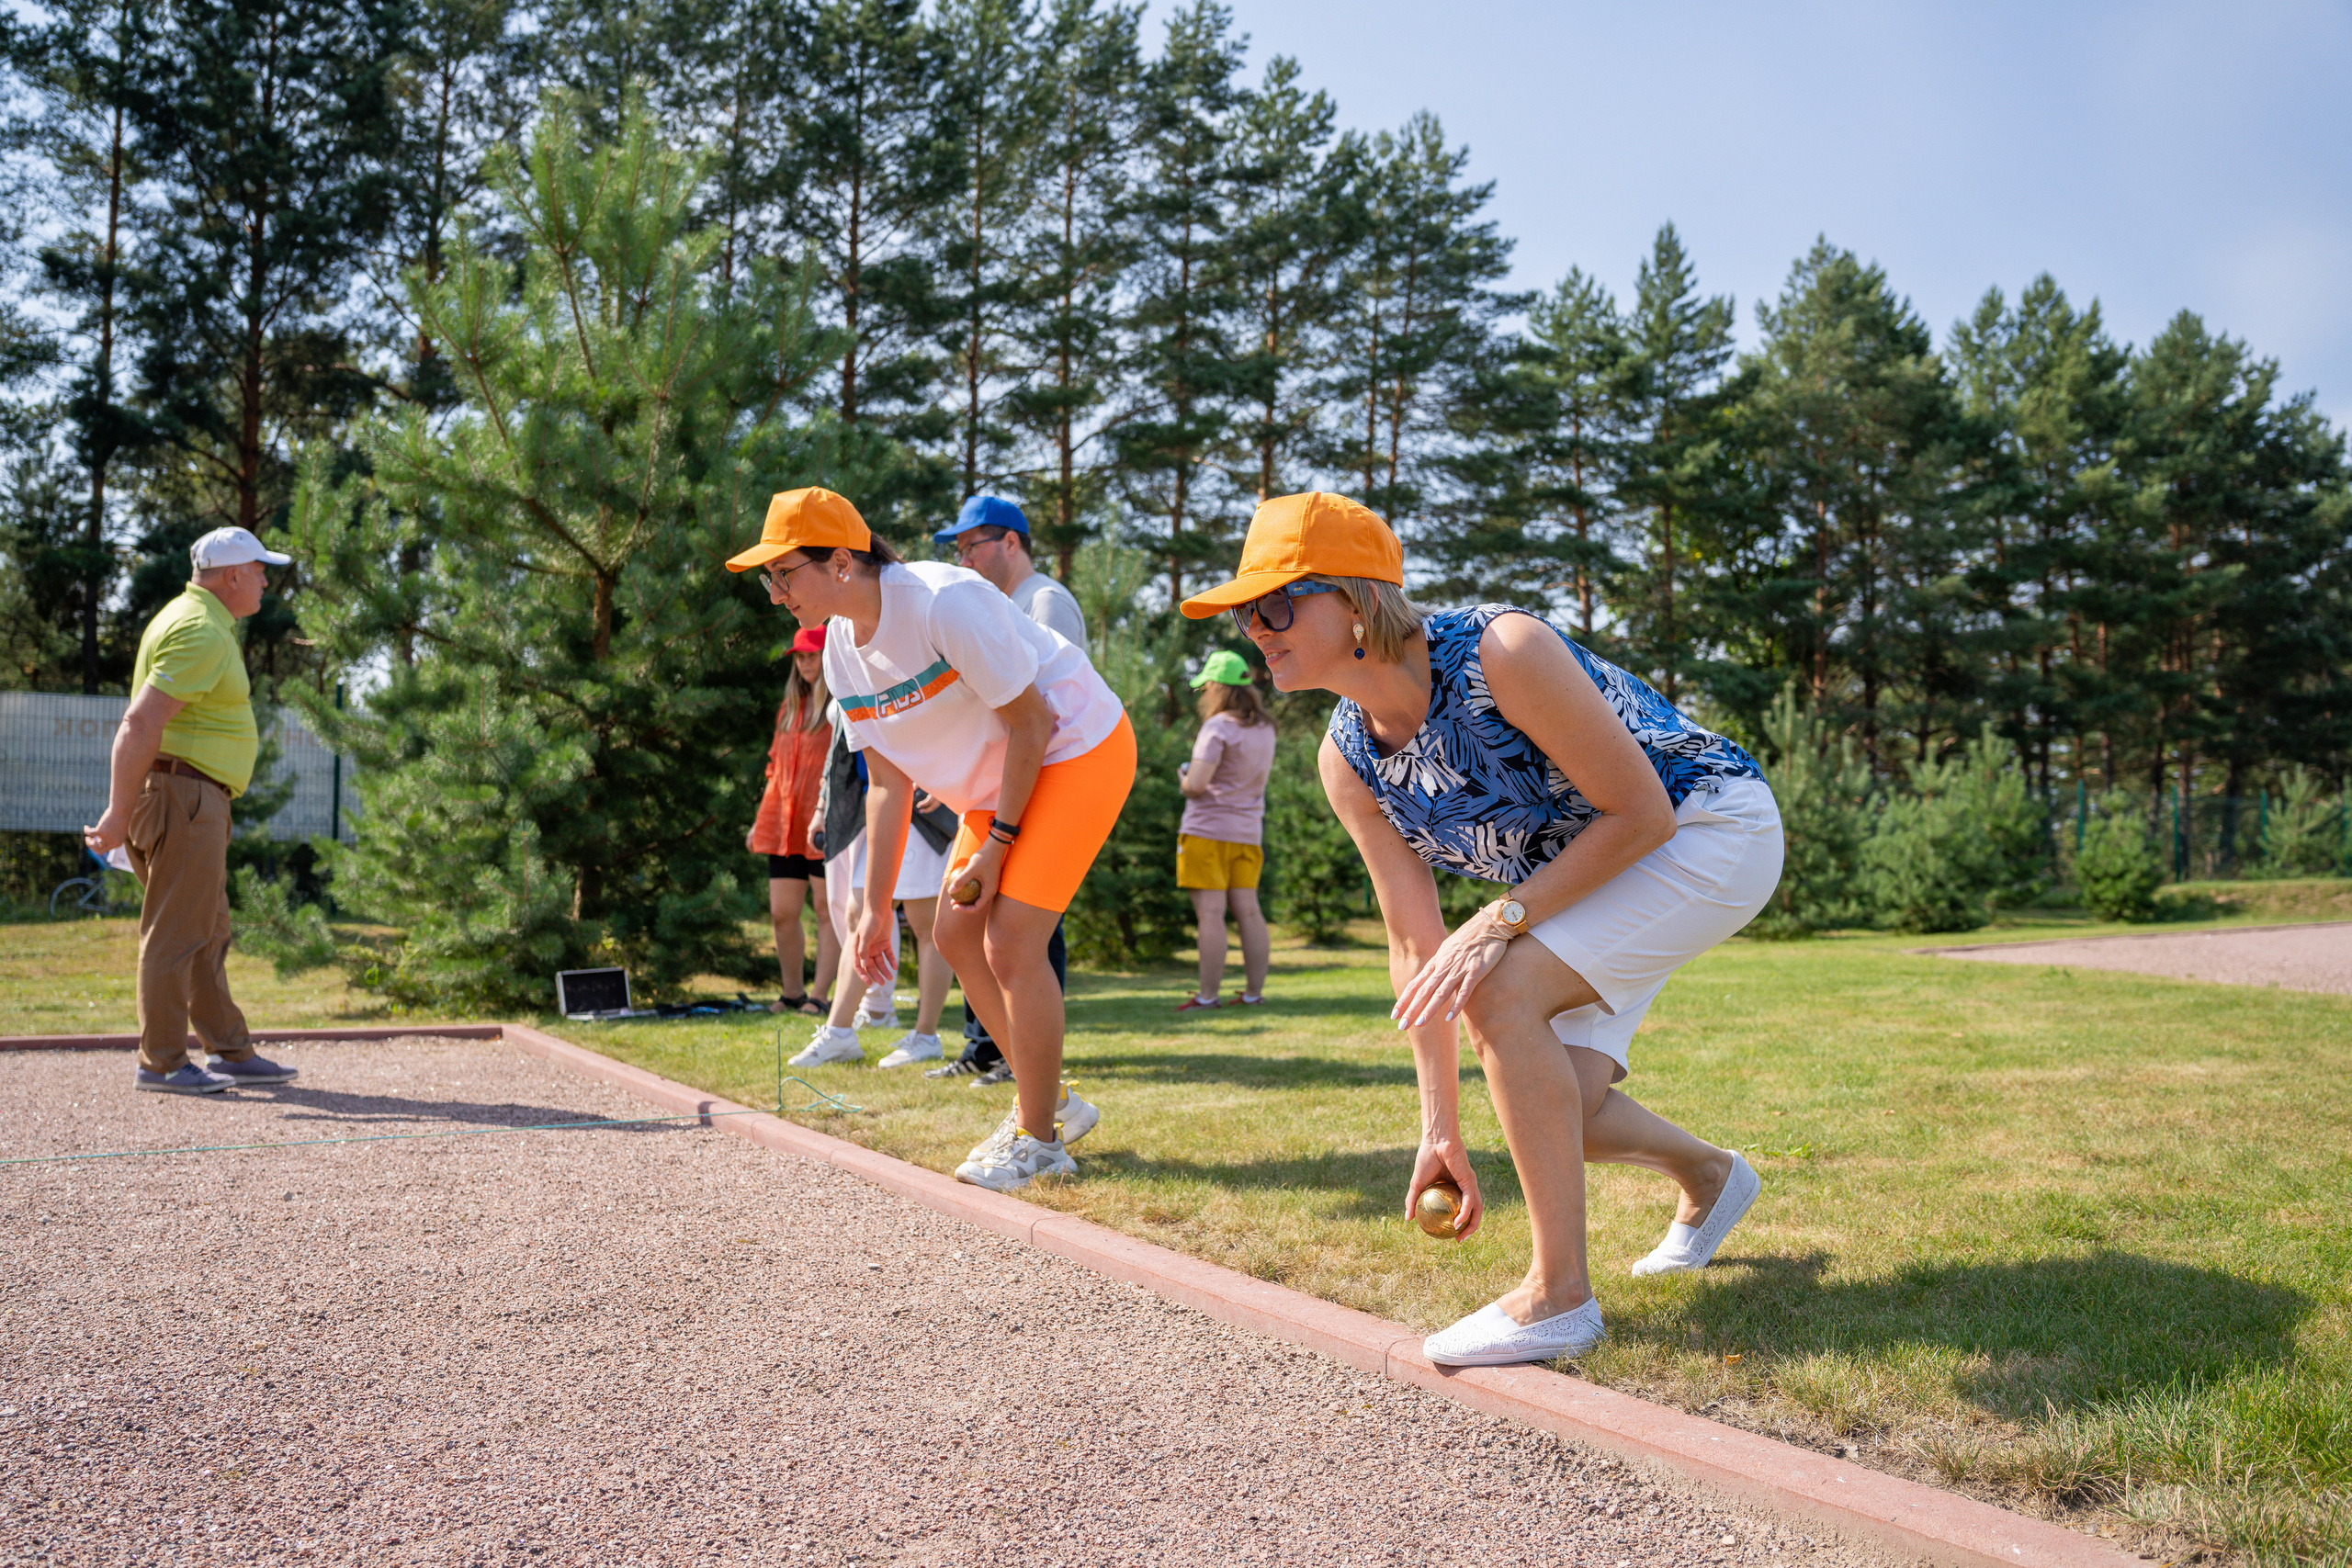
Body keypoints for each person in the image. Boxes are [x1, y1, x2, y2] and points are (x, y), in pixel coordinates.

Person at [1180, 491, 1783, 1367]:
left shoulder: (1503, 651)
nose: (1256, 629)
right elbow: (1419, 953)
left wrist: (1499, 920)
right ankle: (1710, 1176)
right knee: (1553, 1106)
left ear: (1355, 602)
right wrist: (1438, 1129)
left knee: (1501, 991)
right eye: (1246, 613)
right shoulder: (1346, 759)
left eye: (1274, 604)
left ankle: (1557, 1297)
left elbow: (1643, 812)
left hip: (1708, 828)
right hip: (1592, 874)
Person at [728, 487, 1133, 1191]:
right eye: (771, 579)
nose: (775, 594)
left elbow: (1034, 723)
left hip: (1078, 745)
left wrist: (998, 846)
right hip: (1002, 776)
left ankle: (1039, 1140)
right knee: (953, 932)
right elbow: (886, 784)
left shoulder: (943, 601)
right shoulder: (842, 656)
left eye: (785, 574)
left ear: (843, 561)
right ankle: (1056, 1103)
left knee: (1009, 939)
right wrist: (875, 908)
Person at [81, 526, 303, 1095]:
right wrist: (116, 811)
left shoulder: (194, 619)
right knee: (176, 935)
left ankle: (229, 1049)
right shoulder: (200, 630)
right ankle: (161, 1064)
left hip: (191, 797)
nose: (264, 579)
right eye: (258, 569)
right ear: (231, 575)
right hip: (185, 798)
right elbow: (140, 722)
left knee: (207, 930)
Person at [925, 495, 1082, 1085]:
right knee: (974, 914)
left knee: (1028, 929)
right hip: (999, 784)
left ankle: (1026, 1059)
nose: (963, 559)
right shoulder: (997, 603)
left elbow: (1053, 704)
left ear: (1011, 543)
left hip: (1046, 782)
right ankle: (986, 1046)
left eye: (972, 545)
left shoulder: (1045, 602)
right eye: (958, 549)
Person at [794, 704, 958, 1068]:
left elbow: (950, 722)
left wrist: (947, 779)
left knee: (926, 923)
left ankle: (926, 1036)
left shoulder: (908, 655)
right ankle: (839, 1033)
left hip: (921, 808)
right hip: (875, 806)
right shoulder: (844, 664)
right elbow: (840, 747)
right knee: (859, 916)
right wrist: (823, 806)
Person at [1174, 649, 1277, 1012]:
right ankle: (1253, 993)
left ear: (1218, 687)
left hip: (1206, 832)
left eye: (1206, 687)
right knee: (1249, 912)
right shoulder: (1266, 729)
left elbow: (1197, 785)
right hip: (1248, 834)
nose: (1204, 694)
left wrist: (1184, 777)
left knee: (1211, 915)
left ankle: (1207, 996)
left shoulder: (1217, 727)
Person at [747, 626, 837, 1014]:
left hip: (822, 823)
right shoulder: (788, 709)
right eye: (800, 657)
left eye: (812, 655)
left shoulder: (839, 706)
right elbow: (774, 768)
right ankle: (792, 993)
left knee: (825, 909)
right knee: (782, 912)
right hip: (782, 824)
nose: (805, 664)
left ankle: (819, 996)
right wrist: (758, 821)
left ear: (827, 657)